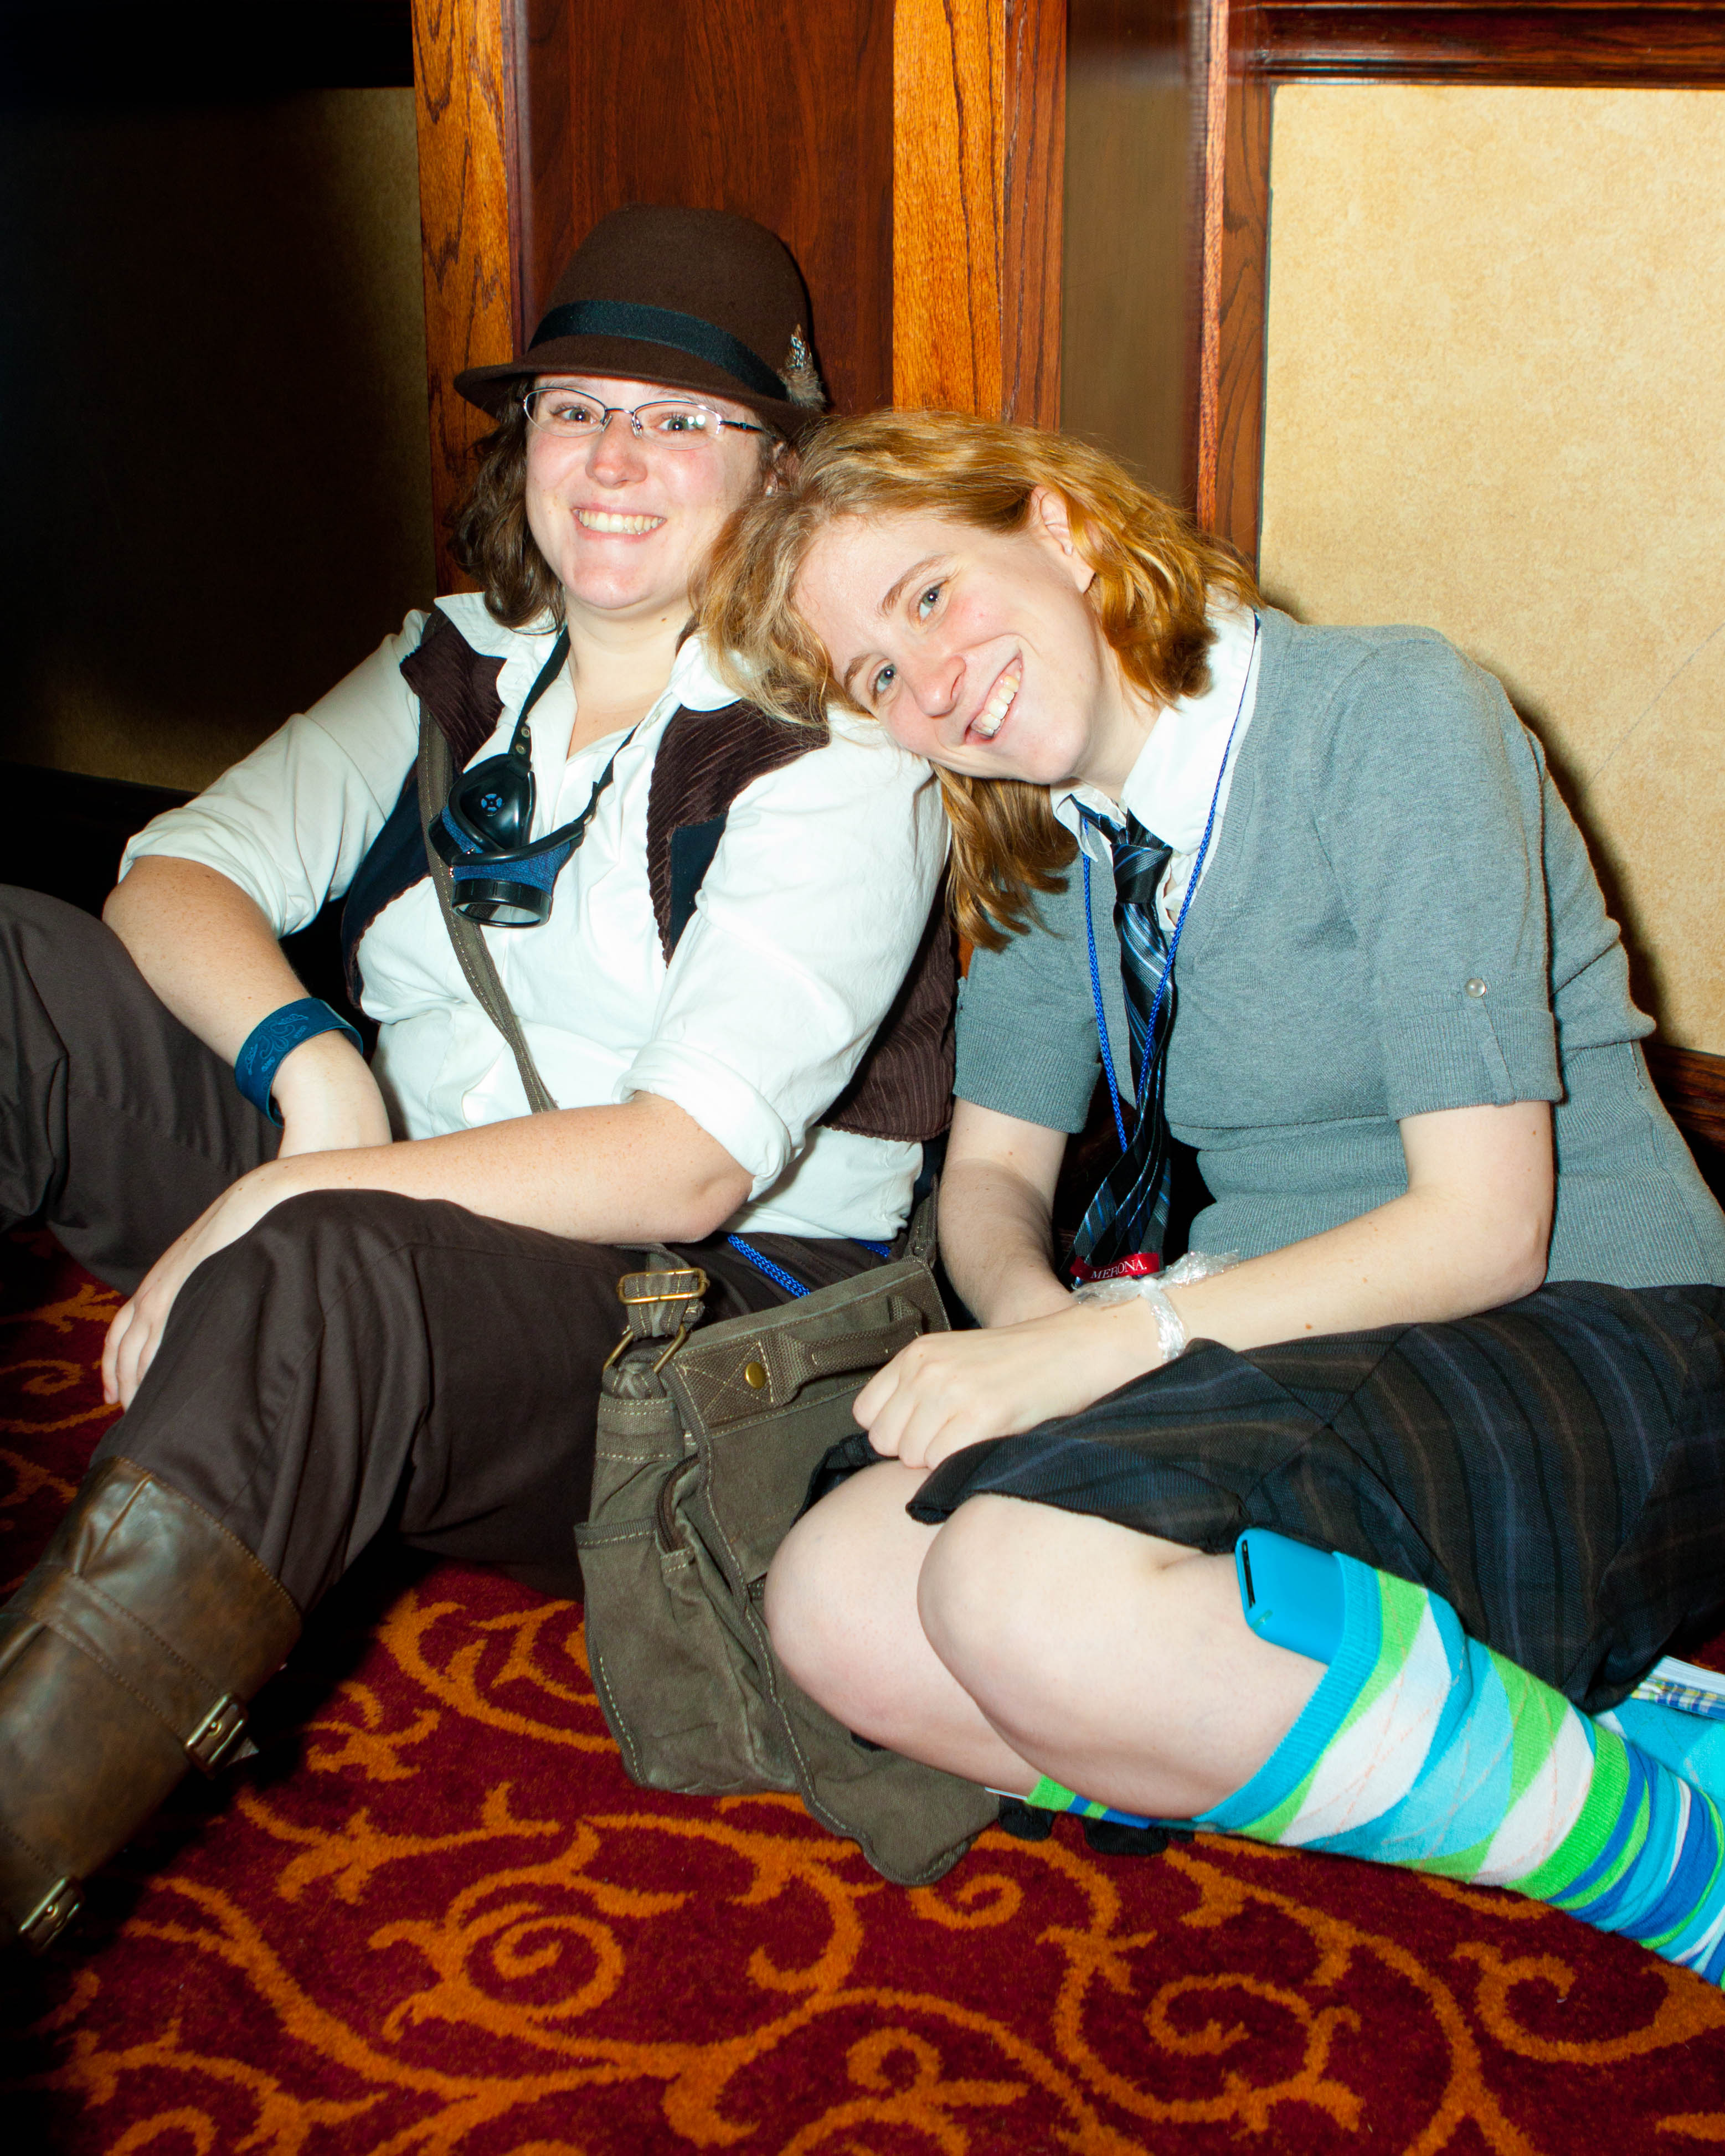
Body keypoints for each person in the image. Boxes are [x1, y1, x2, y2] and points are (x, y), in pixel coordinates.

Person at [0, 212, 952, 1953]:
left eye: (681, 421)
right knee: (15, 969)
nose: (614, 459)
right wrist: (317, 1088)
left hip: (687, 1330)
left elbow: (682, 1165)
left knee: (325, 1264)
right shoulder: (455, 662)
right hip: (395, 1211)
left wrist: (305, 1187)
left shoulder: (837, 749)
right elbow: (173, 871)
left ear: (780, 472)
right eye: (577, 408)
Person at [700, 408, 1725, 1983]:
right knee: (838, 1604)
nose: (932, 685)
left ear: (1058, 529)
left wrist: (1115, 1345)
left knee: (1017, 1591)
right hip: (1280, 1340)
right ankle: (1518, 1709)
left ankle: (1669, 1856)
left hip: (1595, 1331)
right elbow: (992, 1175)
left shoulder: (1387, 711)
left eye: (930, 596)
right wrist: (1036, 1330)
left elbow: (1484, 1225)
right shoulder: (1057, 843)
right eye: (879, 677)